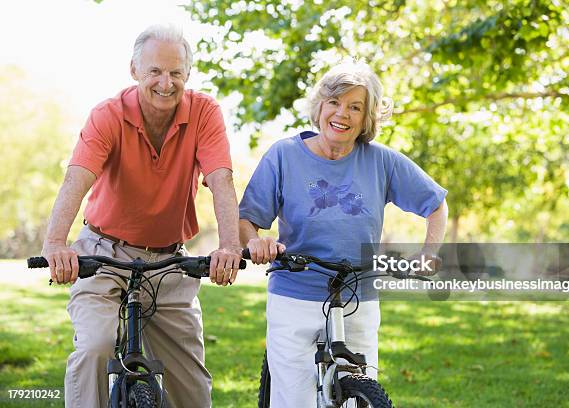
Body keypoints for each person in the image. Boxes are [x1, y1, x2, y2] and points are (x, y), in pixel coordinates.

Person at [41, 25, 242, 408]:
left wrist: (230, 246)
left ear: (187, 74)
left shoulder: (204, 112)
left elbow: (221, 179)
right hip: (104, 253)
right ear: (134, 70)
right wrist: (55, 243)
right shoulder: (108, 115)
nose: (166, 83)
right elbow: (76, 179)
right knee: (96, 347)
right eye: (155, 72)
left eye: (176, 73)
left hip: (170, 261)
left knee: (192, 389)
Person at [239, 61, 448, 407]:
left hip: (358, 296)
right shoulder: (284, 155)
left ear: (366, 119)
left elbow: (436, 204)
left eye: (355, 107)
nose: (342, 114)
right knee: (294, 399)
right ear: (319, 106)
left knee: (358, 396)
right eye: (334, 102)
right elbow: (247, 219)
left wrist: (429, 251)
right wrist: (255, 241)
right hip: (295, 294)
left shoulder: (381, 161)